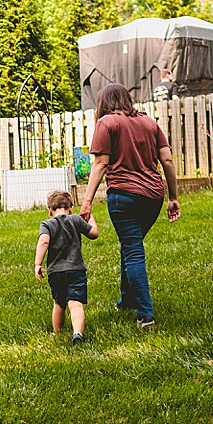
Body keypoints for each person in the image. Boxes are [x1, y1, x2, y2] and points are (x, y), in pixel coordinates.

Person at [79, 84, 180, 329]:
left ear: (104, 102)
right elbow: (166, 159)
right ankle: (126, 300)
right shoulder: (149, 123)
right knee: (130, 244)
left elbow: (101, 164)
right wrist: (173, 197)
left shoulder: (107, 122)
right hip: (153, 197)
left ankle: (145, 315)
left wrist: (87, 201)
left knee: (133, 250)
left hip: (123, 197)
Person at [34, 190, 99, 345]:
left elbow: (43, 241)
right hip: (76, 269)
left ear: (49, 210)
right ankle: (77, 333)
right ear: (70, 208)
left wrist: (38, 263)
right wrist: (90, 217)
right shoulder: (75, 219)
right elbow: (94, 233)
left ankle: (58, 333)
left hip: (55, 271)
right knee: (75, 304)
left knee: (59, 303)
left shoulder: (47, 224)